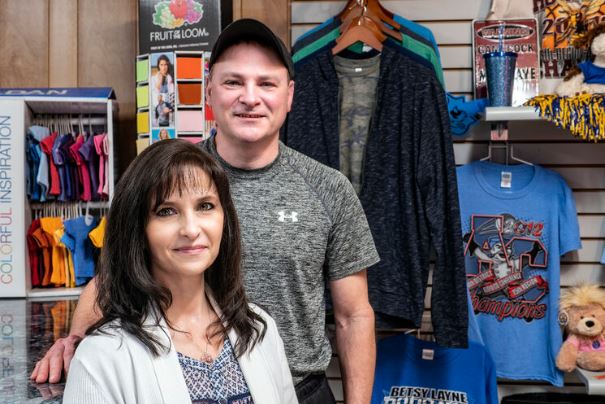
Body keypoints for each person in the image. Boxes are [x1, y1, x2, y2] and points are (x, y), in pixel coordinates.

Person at [31, 19, 379, 404]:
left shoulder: (330, 189)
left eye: (266, 83)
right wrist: (78, 341)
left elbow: (353, 315)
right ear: (209, 89)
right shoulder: (166, 180)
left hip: (298, 388)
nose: (250, 97)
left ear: (290, 95)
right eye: (234, 82)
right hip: (175, 383)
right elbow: (114, 274)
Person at [62, 139, 297, 403]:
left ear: (224, 218)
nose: (191, 229)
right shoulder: (100, 357)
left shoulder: (259, 329)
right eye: (166, 211)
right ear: (137, 229)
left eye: (205, 206)